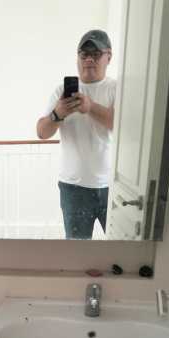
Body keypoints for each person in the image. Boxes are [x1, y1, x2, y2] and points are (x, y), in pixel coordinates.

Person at [36, 30, 116, 239]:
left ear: (109, 57)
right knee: (76, 250)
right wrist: (57, 114)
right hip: (73, 189)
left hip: (113, 187)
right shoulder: (61, 92)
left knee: (122, 247)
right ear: (77, 58)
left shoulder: (116, 88)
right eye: (84, 54)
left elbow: (121, 125)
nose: (89, 59)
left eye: (96, 54)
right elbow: (42, 132)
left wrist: (90, 107)